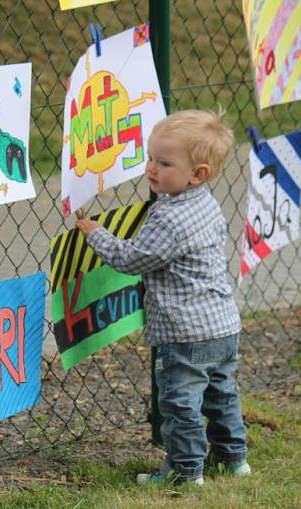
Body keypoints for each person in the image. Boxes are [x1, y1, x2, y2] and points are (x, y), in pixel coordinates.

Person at [75, 110, 249, 486]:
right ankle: (234, 458)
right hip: (221, 324)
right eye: (150, 158)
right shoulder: (204, 203)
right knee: (220, 394)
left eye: (164, 163)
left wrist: (96, 235)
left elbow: (133, 258)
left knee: (179, 403)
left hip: (185, 333)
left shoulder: (168, 219)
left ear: (197, 174)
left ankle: (186, 471)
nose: (151, 169)